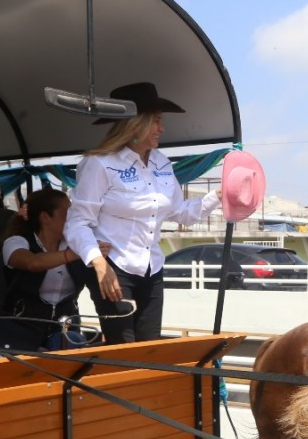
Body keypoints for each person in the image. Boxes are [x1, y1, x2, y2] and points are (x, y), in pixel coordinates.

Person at [65, 82, 223, 343]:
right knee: (123, 349)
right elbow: (77, 223)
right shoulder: (99, 164)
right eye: (156, 121)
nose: (162, 128)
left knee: (150, 348)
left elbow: (180, 213)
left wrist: (217, 196)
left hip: (152, 269)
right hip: (113, 268)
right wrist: (99, 263)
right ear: (135, 123)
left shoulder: (162, 163)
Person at [0, 189, 94, 351]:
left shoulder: (73, 245)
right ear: (45, 217)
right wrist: (79, 252)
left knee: (72, 342)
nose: (73, 219)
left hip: (64, 327)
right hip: (21, 330)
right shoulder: (16, 242)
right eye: (67, 213)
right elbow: (32, 263)